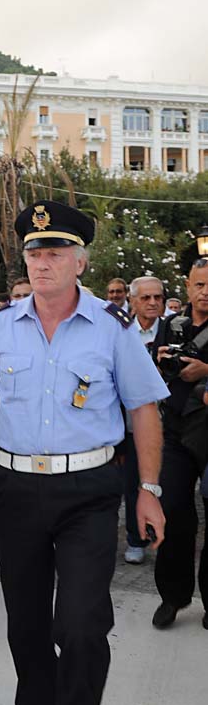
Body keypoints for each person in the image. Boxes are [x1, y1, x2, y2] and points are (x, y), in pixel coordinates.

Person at [0, 201, 167, 705]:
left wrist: (150, 489)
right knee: (27, 621)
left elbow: (144, 408)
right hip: (14, 491)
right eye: (36, 253)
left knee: (84, 625)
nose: (44, 262)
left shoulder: (113, 329)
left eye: (57, 252)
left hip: (89, 493)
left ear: (80, 261)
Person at [152, 259, 208, 630]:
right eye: (199, 285)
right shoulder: (172, 325)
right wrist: (159, 362)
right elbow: (151, 369)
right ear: (187, 287)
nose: (205, 292)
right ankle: (172, 596)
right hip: (174, 429)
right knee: (172, 511)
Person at [123, 277, 167, 564]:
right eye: (146, 298)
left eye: (158, 297)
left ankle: (163, 535)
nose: (152, 303)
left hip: (172, 419)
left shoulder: (175, 329)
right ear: (133, 300)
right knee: (132, 482)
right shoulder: (121, 330)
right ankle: (135, 539)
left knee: (165, 483)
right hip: (131, 421)